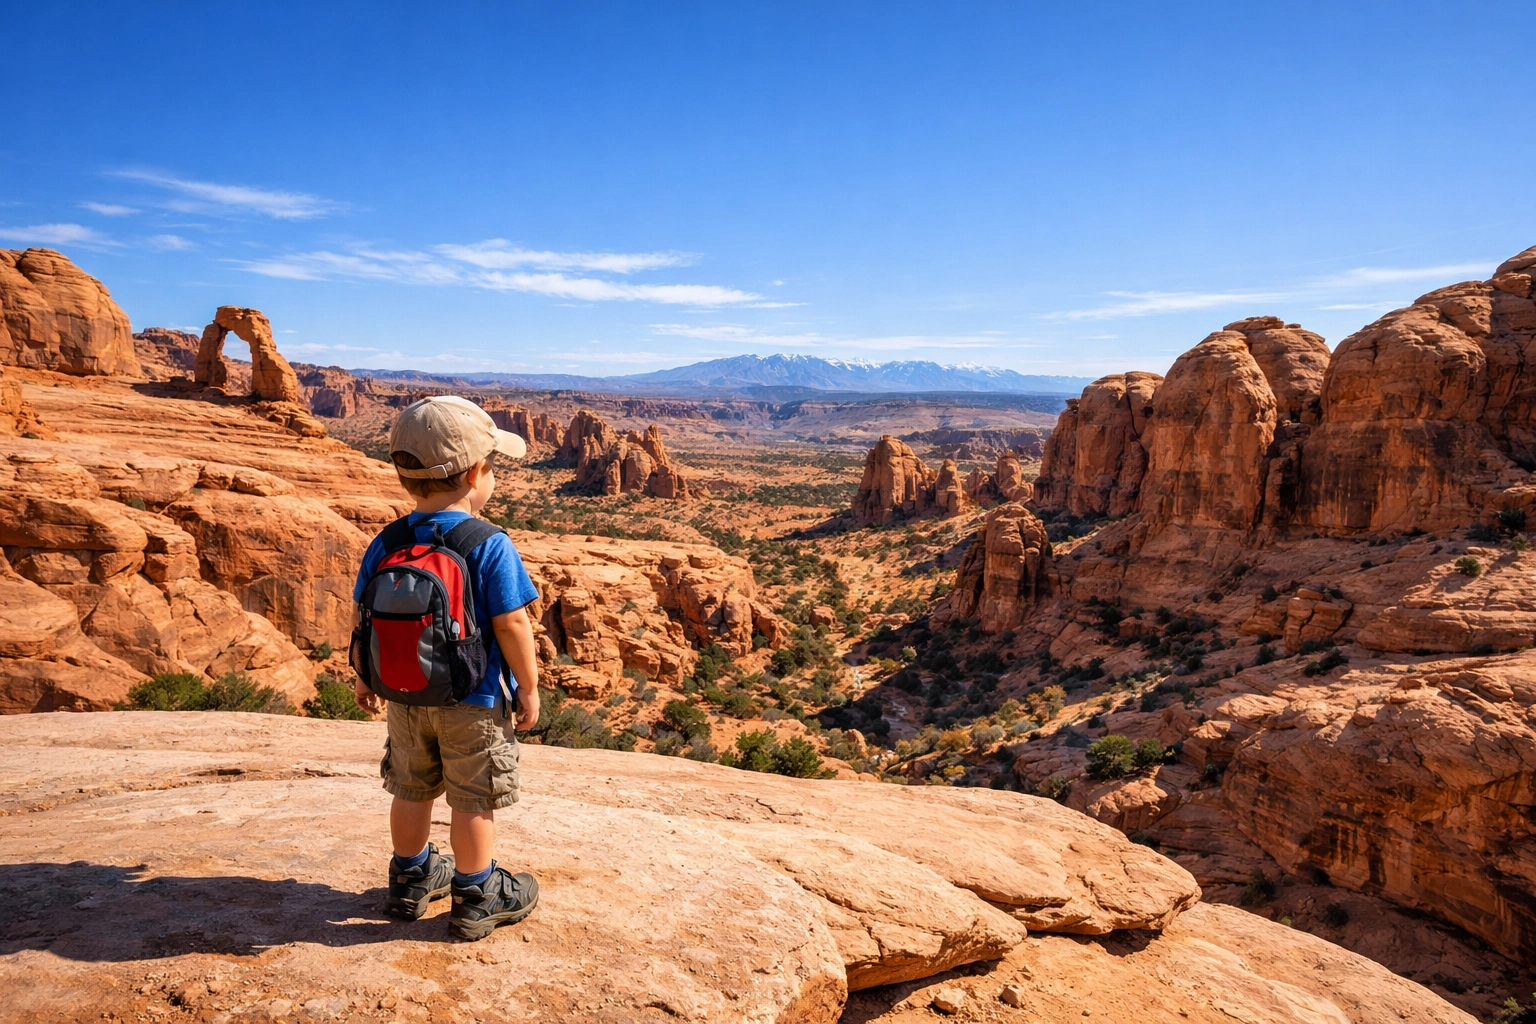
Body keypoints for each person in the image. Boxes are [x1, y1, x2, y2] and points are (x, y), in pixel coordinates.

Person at [351, 395, 542, 940]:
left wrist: (366, 677)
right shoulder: (488, 543)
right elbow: (512, 625)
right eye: (493, 466)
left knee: (410, 788)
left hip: (405, 695)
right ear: (476, 472)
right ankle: (477, 893)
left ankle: (410, 881)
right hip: (474, 700)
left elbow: (363, 614)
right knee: (472, 798)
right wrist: (527, 688)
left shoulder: (386, 541)